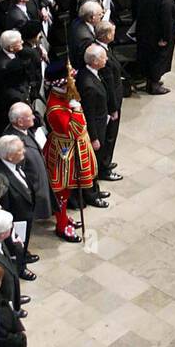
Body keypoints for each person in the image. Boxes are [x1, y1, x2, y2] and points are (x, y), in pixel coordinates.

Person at [44, 63, 99, 240]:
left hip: (74, 148)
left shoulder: (64, 96)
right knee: (62, 191)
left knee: (67, 191)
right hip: (64, 153)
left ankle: (64, 218)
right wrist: (75, 110)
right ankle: (61, 226)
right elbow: (75, 129)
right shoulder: (55, 108)